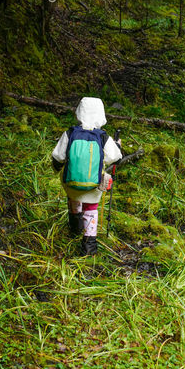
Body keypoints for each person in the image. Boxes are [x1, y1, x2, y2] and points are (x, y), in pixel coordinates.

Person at [51, 97, 122, 255]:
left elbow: (58, 157)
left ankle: (74, 227)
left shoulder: (70, 133)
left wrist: (57, 170)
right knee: (91, 207)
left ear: (79, 112)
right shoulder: (103, 137)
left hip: (71, 184)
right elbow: (116, 157)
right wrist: (117, 146)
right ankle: (89, 246)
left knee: (74, 196)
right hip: (93, 185)